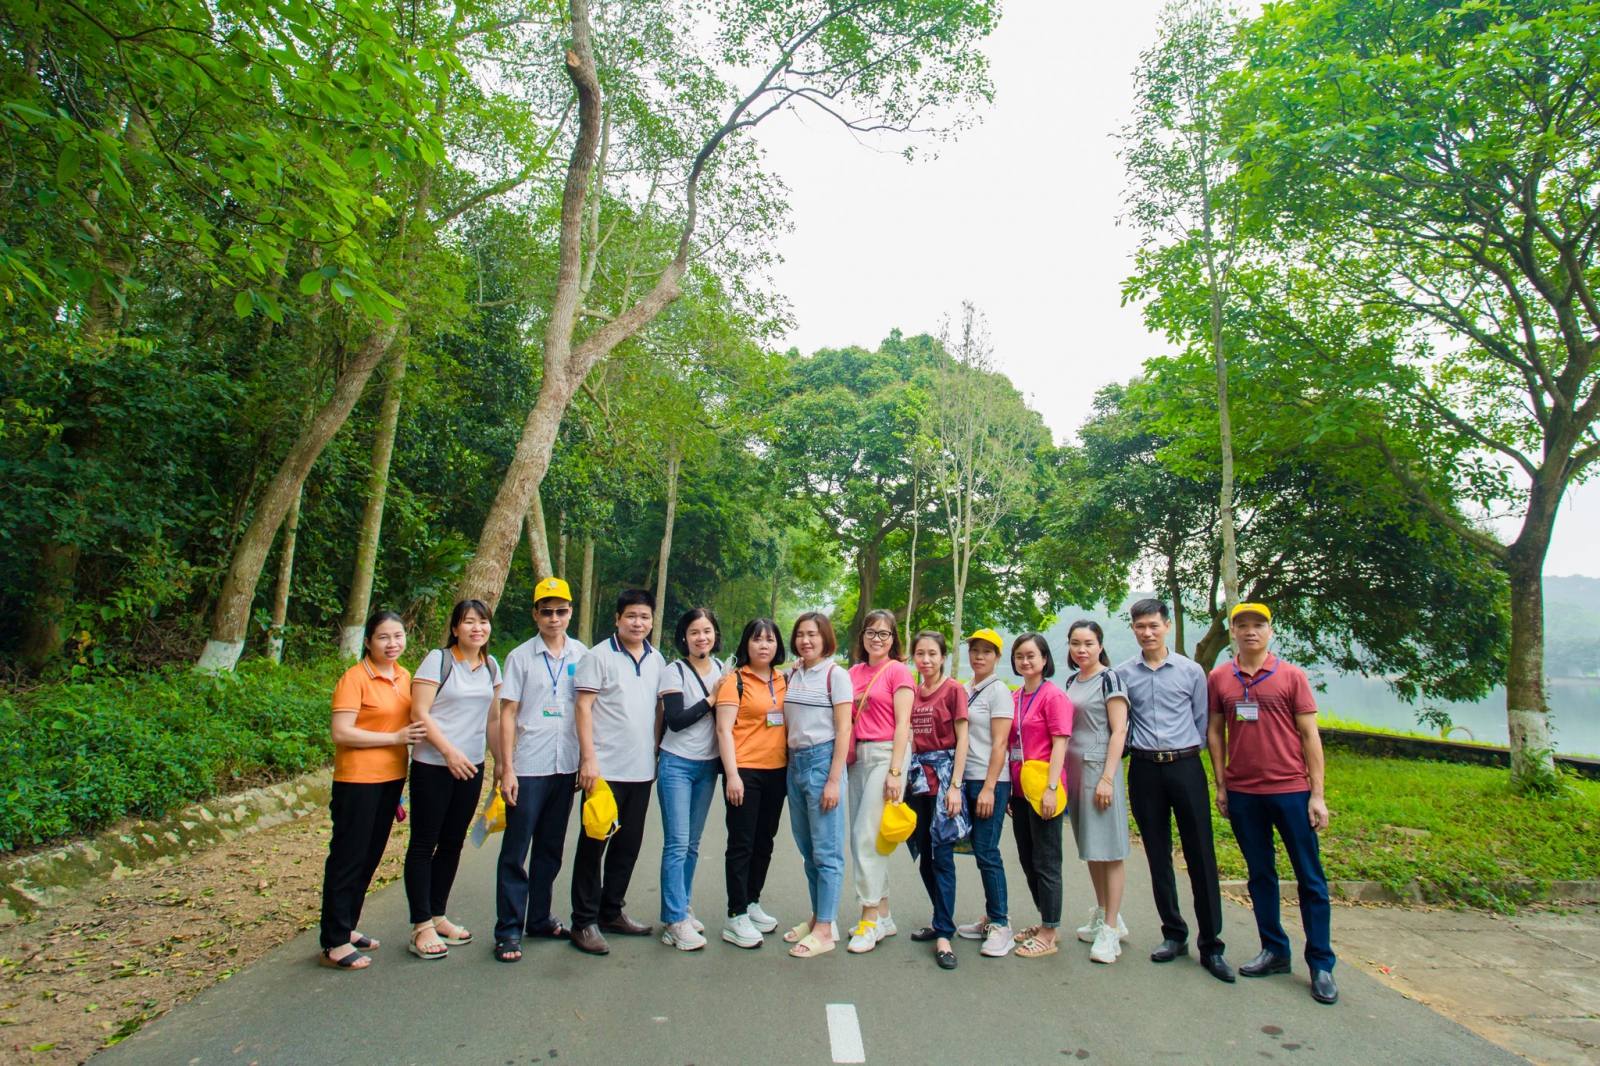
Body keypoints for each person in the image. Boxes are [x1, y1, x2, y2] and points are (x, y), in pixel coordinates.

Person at [1207, 603, 1338, 1005]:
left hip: (1291, 790)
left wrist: (1317, 794)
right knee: (1260, 874)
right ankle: (1275, 950)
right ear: (1232, 632)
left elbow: (1310, 736)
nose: (1250, 632)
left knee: (1310, 878)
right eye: (1242, 625)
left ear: (1270, 631)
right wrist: (1223, 783)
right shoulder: (1219, 678)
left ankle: (1320, 964)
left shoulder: (1291, 676)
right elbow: (1215, 732)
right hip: (1244, 792)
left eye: (1258, 625)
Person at [1118, 598, 1236, 983]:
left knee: (1201, 852)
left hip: (1185, 766)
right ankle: (1174, 934)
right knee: (1157, 854)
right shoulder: (1123, 674)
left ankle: (1212, 944)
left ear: (1166, 626)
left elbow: (1203, 722)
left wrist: (1185, 755)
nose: (1147, 632)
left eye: (1154, 625)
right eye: (1140, 626)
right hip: (1144, 770)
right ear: (1133, 629)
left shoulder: (1191, 672)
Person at [319, 610, 426, 970]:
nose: (392, 643)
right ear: (368, 641)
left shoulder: (404, 676)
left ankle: (347, 926)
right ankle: (333, 942)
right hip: (356, 782)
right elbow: (341, 732)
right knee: (348, 857)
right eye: (383, 637)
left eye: (398, 636)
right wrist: (393, 738)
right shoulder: (354, 679)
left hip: (390, 781)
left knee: (370, 856)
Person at [492, 577, 586, 963]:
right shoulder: (519, 657)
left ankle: (541, 918)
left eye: (560, 611)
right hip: (528, 766)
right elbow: (507, 713)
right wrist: (506, 767)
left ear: (570, 612)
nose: (553, 618)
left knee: (551, 848)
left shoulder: (582, 655)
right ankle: (508, 930)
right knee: (516, 850)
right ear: (535, 614)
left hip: (566, 766)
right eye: (545, 611)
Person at [569, 588, 666, 955]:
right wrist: (588, 759)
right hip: (604, 772)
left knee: (628, 846)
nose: (637, 622)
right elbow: (583, 708)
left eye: (644, 617)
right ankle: (584, 921)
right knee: (594, 844)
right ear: (617, 618)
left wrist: (656, 751)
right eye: (631, 616)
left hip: (641, 770)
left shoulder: (657, 660)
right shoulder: (598, 656)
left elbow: (659, 710)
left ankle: (612, 911)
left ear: (652, 620)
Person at [405, 599, 501, 960]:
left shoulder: (491, 666)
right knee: (423, 843)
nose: (477, 628)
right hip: (433, 765)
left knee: (452, 843)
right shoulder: (438, 660)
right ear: (455, 628)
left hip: (472, 767)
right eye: (468, 622)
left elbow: (493, 720)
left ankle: (438, 914)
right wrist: (447, 752)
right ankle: (420, 925)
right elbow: (419, 712)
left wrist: (501, 763)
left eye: (483, 622)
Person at [780, 612, 852, 958]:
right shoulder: (794, 672)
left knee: (827, 851)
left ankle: (826, 928)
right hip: (794, 764)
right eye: (799, 635)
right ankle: (817, 917)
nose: (805, 640)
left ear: (825, 638)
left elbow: (844, 730)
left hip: (822, 763)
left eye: (812, 634)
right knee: (808, 850)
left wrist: (834, 781)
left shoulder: (836, 675)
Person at [715, 618, 790, 948]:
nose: (764, 645)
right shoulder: (735, 681)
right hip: (744, 771)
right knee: (742, 843)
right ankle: (735, 915)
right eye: (757, 639)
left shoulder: (783, 678)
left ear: (778, 646)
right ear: (746, 644)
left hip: (778, 772)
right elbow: (723, 731)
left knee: (765, 841)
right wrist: (732, 775)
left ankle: (752, 902)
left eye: (770, 640)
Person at [656, 607, 727, 951]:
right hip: (677, 765)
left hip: (707, 766)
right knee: (677, 843)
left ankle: (682, 906)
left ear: (715, 634)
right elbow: (676, 720)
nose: (702, 637)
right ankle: (673, 921)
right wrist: (712, 698)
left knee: (693, 844)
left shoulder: (722, 669)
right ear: (684, 636)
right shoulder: (674, 671)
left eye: (708, 631)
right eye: (695, 632)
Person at [844, 608, 915, 953]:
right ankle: (883, 913)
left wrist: (896, 772)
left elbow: (904, 724)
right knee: (868, 835)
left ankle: (869, 917)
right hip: (857, 756)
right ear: (862, 637)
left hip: (887, 755)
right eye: (871, 632)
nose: (876, 638)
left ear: (893, 639)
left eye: (884, 634)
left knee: (865, 835)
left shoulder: (898, 671)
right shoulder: (853, 672)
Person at [1063, 620, 1132, 965]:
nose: (1082, 650)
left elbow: (1119, 731)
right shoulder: (1072, 680)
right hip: (1075, 772)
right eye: (1076, 643)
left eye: (1088, 643)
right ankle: (1107, 913)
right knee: (1091, 847)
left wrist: (1107, 777)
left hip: (1099, 771)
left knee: (1110, 849)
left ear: (1100, 645)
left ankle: (1110, 930)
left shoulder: (1110, 679)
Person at [904, 631, 969, 970]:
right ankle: (940, 918)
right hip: (917, 783)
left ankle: (944, 933)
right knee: (924, 857)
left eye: (932, 654)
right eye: (919, 654)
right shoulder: (912, 693)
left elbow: (963, 739)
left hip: (944, 781)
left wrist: (955, 786)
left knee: (942, 856)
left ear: (943, 657)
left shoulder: (954, 690)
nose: (925, 660)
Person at [1006, 631, 1072, 959]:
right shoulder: (1014, 696)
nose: (1025, 661)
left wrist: (1052, 788)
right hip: (1019, 790)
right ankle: (1047, 920)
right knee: (1027, 858)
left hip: (1045, 790)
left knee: (1047, 860)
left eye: (1032, 655)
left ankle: (1049, 930)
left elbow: (1060, 741)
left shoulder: (1053, 696)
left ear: (1045, 660)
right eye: (1019, 656)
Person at [955, 628, 1016, 958]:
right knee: (977, 850)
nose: (979, 656)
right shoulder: (966, 689)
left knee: (987, 850)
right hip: (966, 779)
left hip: (990, 781)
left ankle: (1002, 925)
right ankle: (990, 916)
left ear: (997, 657)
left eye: (986, 652)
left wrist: (990, 788)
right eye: (975, 650)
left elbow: (1000, 744)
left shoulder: (999, 692)